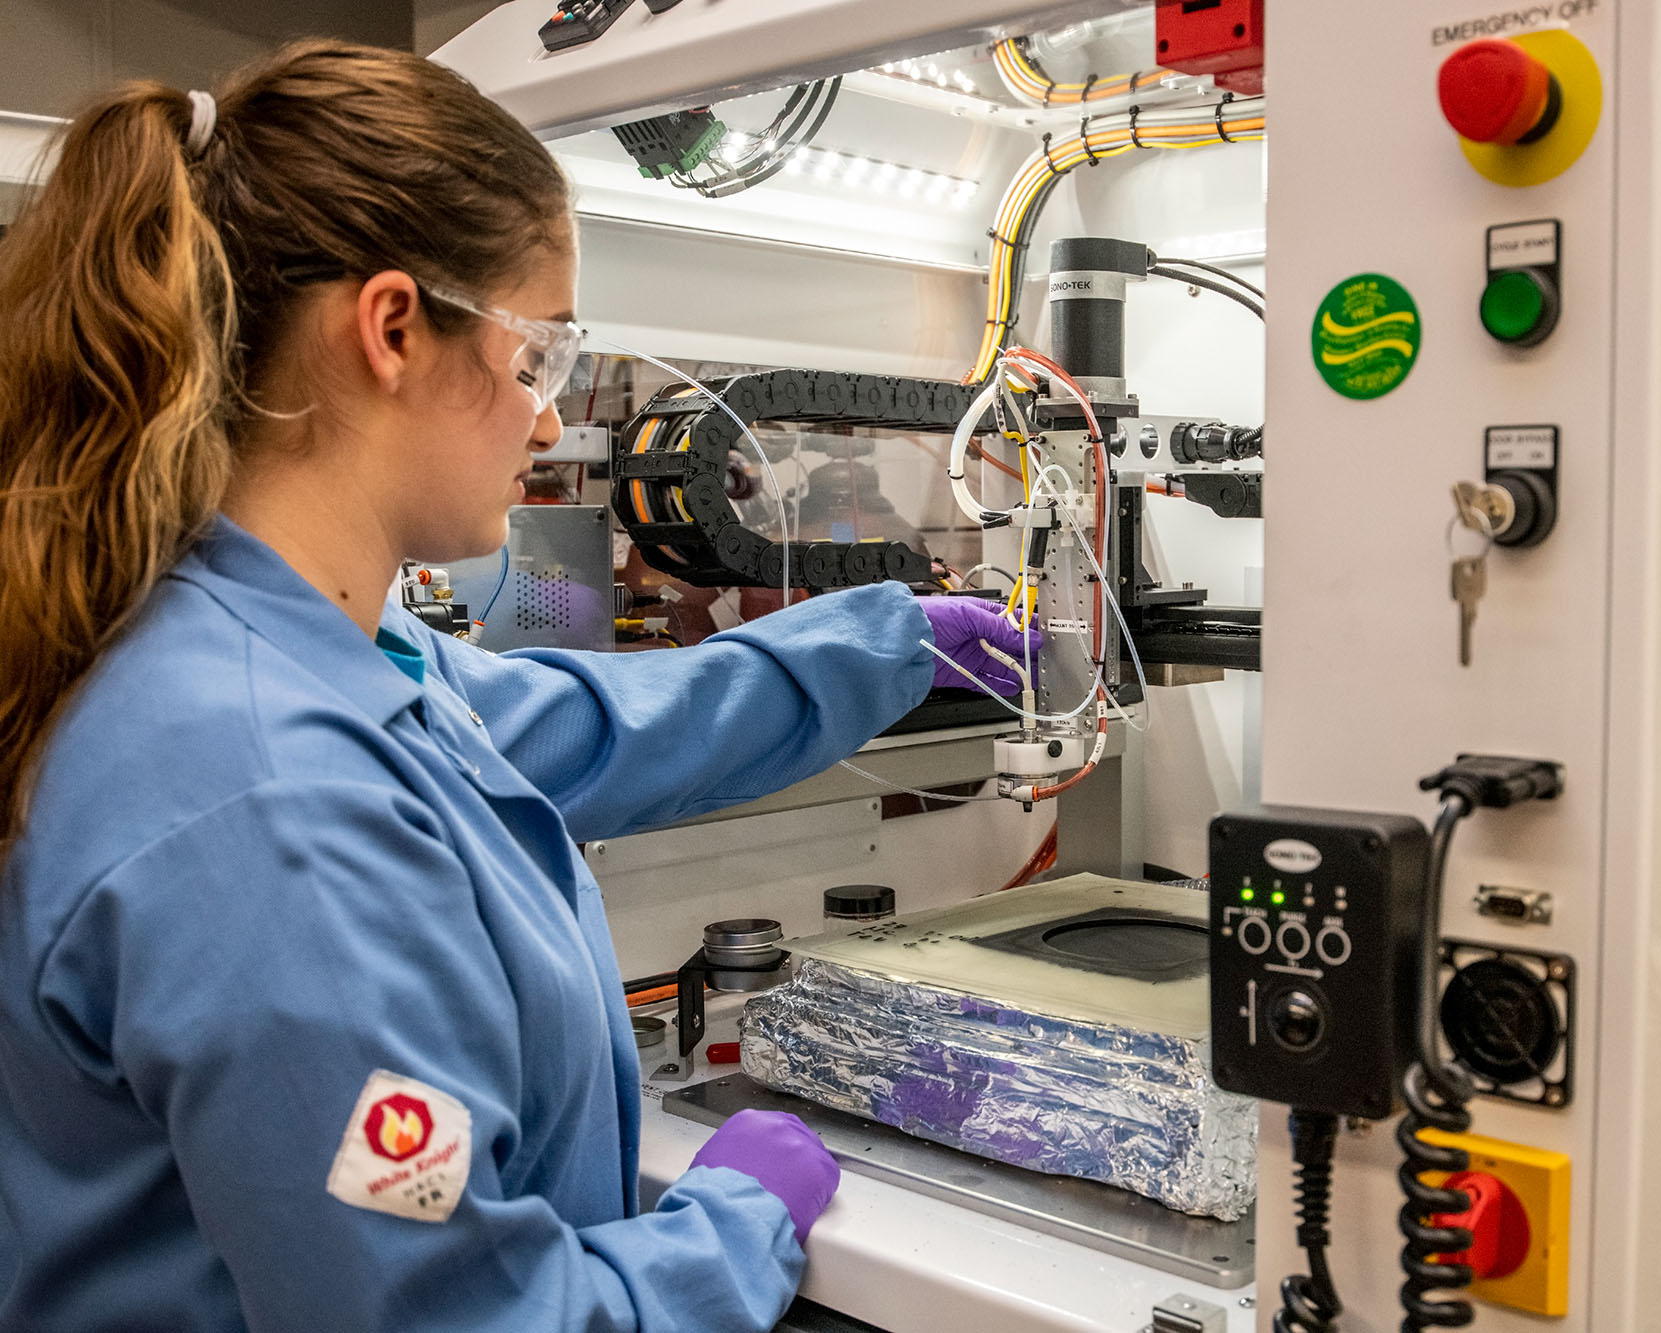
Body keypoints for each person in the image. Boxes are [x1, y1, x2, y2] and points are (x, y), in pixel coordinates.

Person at [0, 41, 1037, 1332]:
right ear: (390, 329)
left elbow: (606, 727)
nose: (548, 421)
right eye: (538, 356)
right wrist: (732, 1229)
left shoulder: (305, 649)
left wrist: (892, 644)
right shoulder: (268, 806)